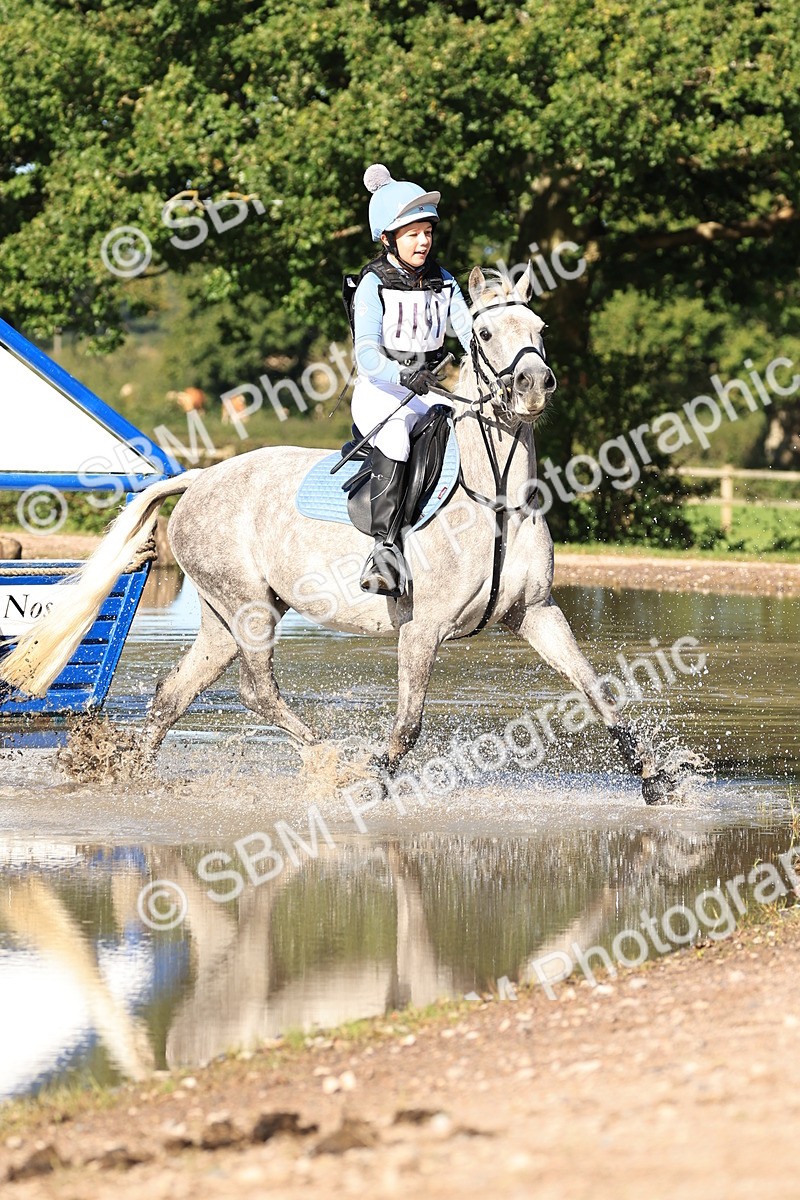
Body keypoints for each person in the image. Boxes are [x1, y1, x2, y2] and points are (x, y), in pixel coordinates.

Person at [346, 163, 473, 596]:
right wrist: (403, 374)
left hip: (428, 390)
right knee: (397, 436)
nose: (423, 242)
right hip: (382, 392)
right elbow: (366, 355)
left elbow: (469, 333)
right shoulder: (372, 283)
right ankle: (383, 550)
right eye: (413, 234)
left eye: (428, 232)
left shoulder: (445, 280)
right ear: (387, 238)